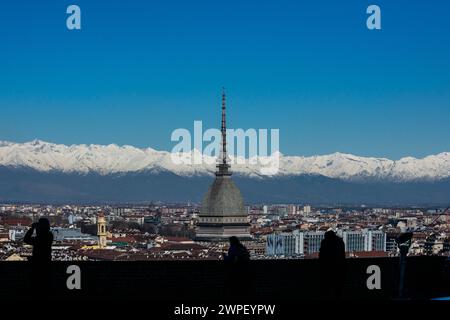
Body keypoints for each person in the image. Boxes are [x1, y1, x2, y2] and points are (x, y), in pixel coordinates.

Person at [23, 218, 53, 297]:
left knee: (36, 283)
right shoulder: (50, 235)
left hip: (37, 264)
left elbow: (26, 239)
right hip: (46, 262)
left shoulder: (41, 238)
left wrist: (32, 229)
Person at [319, 229, 346, 299]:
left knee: (327, 283)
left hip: (327, 266)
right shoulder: (340, 241)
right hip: (339, 265)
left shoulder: (325, 242)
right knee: (338, 283)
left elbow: (322, 253)